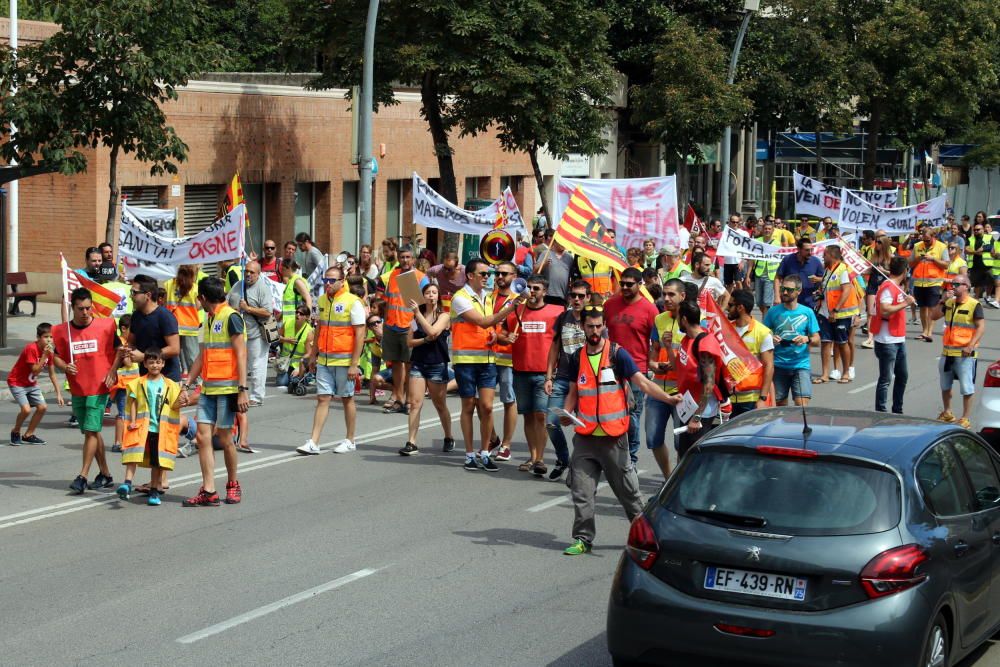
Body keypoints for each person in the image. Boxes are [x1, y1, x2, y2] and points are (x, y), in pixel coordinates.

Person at [558, 306, 681, 556]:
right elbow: (573, 393)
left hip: (614, 439)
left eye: (598, 326)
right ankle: (583, 538)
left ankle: (647, 536)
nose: (594, 331)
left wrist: (668, 399)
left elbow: (643, 382)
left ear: (604, 326)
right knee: (581, 492)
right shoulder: (576, 358)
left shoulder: (617, 354)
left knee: (629, 494)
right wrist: (566, 414)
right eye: (589, 326)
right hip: (585, 438)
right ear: (582, 327)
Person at [450, 258, 524, 471]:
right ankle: (469, 454)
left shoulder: (487, 298)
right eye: (484, 274)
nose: (488, 278)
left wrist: (495, 336)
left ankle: (484, 452)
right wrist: (511, 307)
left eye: (489, 274)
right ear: (470, 276)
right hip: (466, 360)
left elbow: (488, 327)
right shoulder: (460, 297)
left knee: (488, 407)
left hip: (488, 359)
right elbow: (482, 321)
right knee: (468, 407)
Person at [180, 277, 249, 506]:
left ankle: (232, 484)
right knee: (202, 437)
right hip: (208, 388)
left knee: (226, 438)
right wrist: (188, 382)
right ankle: (209, 490)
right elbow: (202, 355)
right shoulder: (206, 321)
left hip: (229, 389)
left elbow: (241, 354)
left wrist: (242, 390)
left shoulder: (232, 317)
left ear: (201, 298)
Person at [52, 288, 120, 493]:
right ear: (72, 308)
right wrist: (64, 366)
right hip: (78, 388)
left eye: (88, 308)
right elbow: (55, 356)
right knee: (92, 432)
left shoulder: (106, 325)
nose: (85, 312)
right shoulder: (61, 331)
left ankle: (82, 476)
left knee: (91, 432)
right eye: (80, 308)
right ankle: (106, 474)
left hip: (99, 387)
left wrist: (113, 371)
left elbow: (118, 350)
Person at [295, 266, 365, 455]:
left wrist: (354, 364)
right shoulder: (322, 300)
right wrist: (313, 355)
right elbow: (319, 329)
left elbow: (360, 335)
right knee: (323, 398)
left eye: (332, 280)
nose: (328, 284)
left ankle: (350, 440)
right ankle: (313, 442)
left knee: (347, 399)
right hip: (325, 360)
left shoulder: (353, 302)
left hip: (344, 361)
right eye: (326, 280)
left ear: (342, 281)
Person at [504, 275, 563, 476]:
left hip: (544, 374)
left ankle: (539, 459)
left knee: (541, 415)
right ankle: (533, 455)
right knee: (528, 416)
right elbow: (501, 335)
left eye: (536, 288)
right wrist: (506, 338)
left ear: (545, 291)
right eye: (528, 287)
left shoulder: (557, 313)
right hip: (520, 371)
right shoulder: (515, 312)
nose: (531, 291)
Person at [116, 348, 187, 506]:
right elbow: (133, 402)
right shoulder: (139, 383)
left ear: (163, 364)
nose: (155, 365)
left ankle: (154, 491)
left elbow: (175, 405)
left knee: (157, 461)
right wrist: (133, 421)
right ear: (145, 364)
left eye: (158, 362)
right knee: (133, 454)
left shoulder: (170, 385)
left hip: (161, 430)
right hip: (142, 427)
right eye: (151, 362)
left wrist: (183, 398)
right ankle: (127, 483)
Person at [603, 267, 659, 467]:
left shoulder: (650, 309)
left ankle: (631, 459)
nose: (624, 287)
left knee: (633, 415)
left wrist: (652, 363)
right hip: (611, 368)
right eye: (622, 283)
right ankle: (613, 454)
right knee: (611, 412)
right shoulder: (609, 305)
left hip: (637, 370)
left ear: (639, 285)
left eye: (629, 284)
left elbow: (657, 340)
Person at [398, 283, 454, 455]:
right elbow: (409, 342)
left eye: (434, 292)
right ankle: (411, 442)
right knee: (415, 404)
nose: (431, 295)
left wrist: (417, 314)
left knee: (439, 404)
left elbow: (433, 332)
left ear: (438, 296)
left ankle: (448, 436)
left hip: (437, 364)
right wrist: (423, 341)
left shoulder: (444, 316)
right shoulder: (415, 319)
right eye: (428, 293)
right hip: (418, 363)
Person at [544, 280, 590, 480]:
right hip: (562, 379)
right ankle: (563, 459)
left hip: (586, 382)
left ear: (588, 298)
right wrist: (548, 376)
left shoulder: (593, 320)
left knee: (584, 428)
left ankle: (584, 466)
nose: (577, 299)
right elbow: (554, 347)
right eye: (574, 296)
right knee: (552, 423)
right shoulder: (563, 317)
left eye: (581, 296)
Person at [932, 274, 986, 429]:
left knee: (967, 387)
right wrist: (942, 300)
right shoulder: (949, 302)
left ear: (966, 287)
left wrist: (970, 345)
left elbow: (981, 327)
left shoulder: (974, 305)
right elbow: (934, 316)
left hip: (965, 354)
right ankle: (948, 412)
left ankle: (965, 418)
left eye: (957, 284)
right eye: (953, 284)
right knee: (945, 384)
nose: (953, 287)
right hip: (947, 352)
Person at [645, 278, 686, 478]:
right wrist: (654, 366)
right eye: (664, 294)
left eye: (671, 294)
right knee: (653, 438)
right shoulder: (659, 319)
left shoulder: (696, 319)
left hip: (683, 393)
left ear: (683, 296)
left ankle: (678, 481)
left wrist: (672, 354)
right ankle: (668, 478)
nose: (666, 298)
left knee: (682, 443)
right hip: (658, 390)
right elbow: (652, 355)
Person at [380, 248, 427, 413]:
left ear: (413, 259)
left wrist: (417, 327)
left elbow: (424, 306)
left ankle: (409, 400)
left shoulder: (420, 277)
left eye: (408, 257)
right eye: (402, 257)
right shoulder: (394, 274)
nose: (405, 260)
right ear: (398, 258)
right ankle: (398, 399)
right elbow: (388, 301)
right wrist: (385, 323)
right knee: (395, 364)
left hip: (409, 327)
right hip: (392, 325)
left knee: (409, 365)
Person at [762, 275, 821, 406]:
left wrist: (807, 339)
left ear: (798, 291)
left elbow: (817, 340)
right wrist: (770, 338)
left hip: (800, 366)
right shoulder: (773, 312)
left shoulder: (807, 312)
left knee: (802, 406)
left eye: (789, 290)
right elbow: (762, 335)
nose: (784, 292)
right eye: (783, 288)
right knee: (780, 407)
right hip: (778, 365)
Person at [8, 322, 64, 445]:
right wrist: (44, 355)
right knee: (26, 410)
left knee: (42, 407)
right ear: (38, 337)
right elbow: (35, 370)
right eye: (46, 337)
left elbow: (52, 373)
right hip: (17, 382)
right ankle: (16, 431)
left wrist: (58, 393)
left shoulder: (50, 352)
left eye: (51, 337)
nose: (49, 340)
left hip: (31, 384)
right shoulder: (31, 349)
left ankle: (29, 434)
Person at [227, 260, 273, 407]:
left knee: (256, 366)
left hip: (256, 334)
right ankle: (240, 392)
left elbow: (267, 312)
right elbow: (227, 302)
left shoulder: (263, 288)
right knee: (240, 365)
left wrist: (248, 309)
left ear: (258, 274)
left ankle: (257, 396)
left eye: (252, 272)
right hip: (239, 334)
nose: (248, 274)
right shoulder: (237, 286)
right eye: (246, 271)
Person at [872, 257, 914, 414]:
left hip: (897, 338)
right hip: (887, 340)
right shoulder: (888, 287)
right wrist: (905, 303)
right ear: (905, 271)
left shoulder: (896, 286)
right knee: (886, 379)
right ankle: (880, 412)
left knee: (902, 376)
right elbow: (884, 309)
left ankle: (897, 409)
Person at [122, 274, 182, 382]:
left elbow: (174, 349)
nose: (131, 296)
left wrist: (145, 357)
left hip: (168, 379)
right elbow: (131, 343)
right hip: (146, 379)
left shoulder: (165, 316)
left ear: (148, 295)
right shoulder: (136, 316)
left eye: (134, 293)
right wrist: (128, 353)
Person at [815, 245, 860, 384]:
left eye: (825, 254)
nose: (823, 257)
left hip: (840, 314)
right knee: (825, 342)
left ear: (832, 255)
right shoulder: (826, 270)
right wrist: (819, 294)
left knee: (842, 343)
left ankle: (846, 372)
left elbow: (846, 290)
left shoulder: (842, 269)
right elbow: (827, 290)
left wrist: (836, 309)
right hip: (825, 312)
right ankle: (825, 374)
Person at [726, 289, 774, 416]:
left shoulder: (763, 332)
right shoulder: (726, 330)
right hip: (728, 399)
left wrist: (763, 399)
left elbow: (769, 366)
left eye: (730, 305)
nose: (727, 308)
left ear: (740, 308)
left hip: (751, 400)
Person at [489, 261, 518, 461]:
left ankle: (506, 445)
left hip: (508, 358)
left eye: (504, 274)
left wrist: (507, 337)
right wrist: (498, 336)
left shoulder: (520, 300)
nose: (500, 277)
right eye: (497, 273)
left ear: (514, 276)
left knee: (508, 400)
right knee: (481, 402)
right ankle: (493, 438)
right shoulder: (489, 297)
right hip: (487, 355)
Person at [164, 265, 205, 379]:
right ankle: (199, 382)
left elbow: (164, 302)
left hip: (172, 325)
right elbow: (197, 306)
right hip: (189, 326)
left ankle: (175, 381)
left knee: (173, 355)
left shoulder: (168, 284)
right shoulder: (195, 288)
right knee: (192, 357)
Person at [910, 226, 948, 342]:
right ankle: (924, 331)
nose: (925, 242)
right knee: (922, 307)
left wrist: (933, 259)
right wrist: (917, 258)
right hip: (919, 282)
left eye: (928, 240)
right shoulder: (917, 246)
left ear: (933, 237)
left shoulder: (942, 247)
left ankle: (929, 333)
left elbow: (946, 265)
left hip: (934, 282)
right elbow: (910, 263)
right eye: (924, 240)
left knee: (931, 308)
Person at [774, 236, 824, 310]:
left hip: (809, 304)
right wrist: (777, 296)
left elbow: (825, 279)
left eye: (811, 250)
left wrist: (818, 279)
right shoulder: (788, 260)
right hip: (788, 302)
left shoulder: (816, 261)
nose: (810, 253)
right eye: (807, 250)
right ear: (799, 249)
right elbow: (777, 278)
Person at [276, 306, 314, 389]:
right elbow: (276, 337)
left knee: (294, 382)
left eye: (301, 314)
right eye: (296, 312)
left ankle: (306, 375)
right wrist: (285, 339)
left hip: (298, 364)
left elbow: (309, 353)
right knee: (281, 382)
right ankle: (299, 377)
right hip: (285, 362)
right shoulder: (288, 323)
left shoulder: (309, 331)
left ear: (307, 317)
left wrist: (298, 369)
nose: (298, 315)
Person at [749, 220, 781, 317]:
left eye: (769, 229)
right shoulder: (757, 242)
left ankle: (765, 323)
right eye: (766, 229)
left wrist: (779, 276)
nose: (767, 230)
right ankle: (767, 317)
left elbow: (780, 259)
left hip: (771, 276)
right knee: (759, 302)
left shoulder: (777, 243)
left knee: (767, 302)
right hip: (759, 274)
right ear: (763, 230)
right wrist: (748, 275)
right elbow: (752, 259)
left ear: (772, 231)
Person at [279, 259, 312, 339]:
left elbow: (308, 298)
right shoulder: (290, 281)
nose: (281, 271)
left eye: (283, 269)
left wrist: (308, 317)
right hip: (290, 320)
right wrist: (280, 316)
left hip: (296, 319)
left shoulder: (297, 281)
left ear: (289, 268)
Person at [967, 219, 996, 304]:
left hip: (988, 264)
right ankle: (976, 298)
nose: (976, 231)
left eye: (978, 229)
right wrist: (976, 252)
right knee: (977, 283)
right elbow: (967, 249)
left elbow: (992, 246)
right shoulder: (970, 239)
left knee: (991, 280)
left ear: (983, 230)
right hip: (975, 264)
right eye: (975, 230)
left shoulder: (990, 237)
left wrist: (983, 248)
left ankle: (988, 296)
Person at [540, 238, 576, 307]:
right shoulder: (546, 253)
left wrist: (571, 295)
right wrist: (544, 264)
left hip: (563, 297)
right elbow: (535, 271)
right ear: (554, 242)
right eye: (561, 241)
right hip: (547, 295)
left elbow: (573, 278)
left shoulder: (570, 257)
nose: (563, 244)